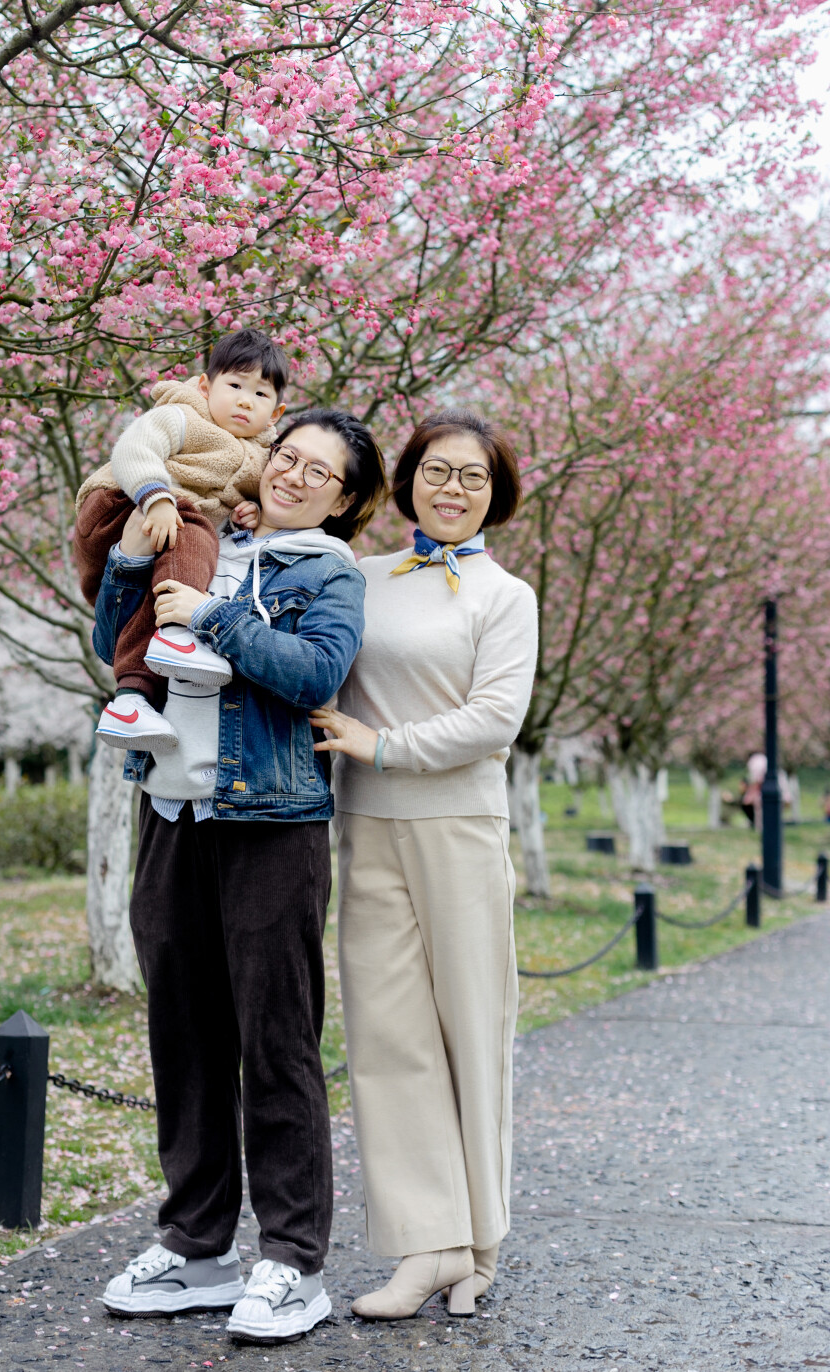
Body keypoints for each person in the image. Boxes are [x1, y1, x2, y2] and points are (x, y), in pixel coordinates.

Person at [88, 409, 386, 1345]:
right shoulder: (213, 534)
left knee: (277, 1040)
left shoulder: (329, 571)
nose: (294, 475)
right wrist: (134, 563)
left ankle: (292, 1260)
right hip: (172, 812)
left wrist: (213, 616)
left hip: (270, 823)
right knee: (184, 1036)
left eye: (319, 472)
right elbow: (115, 641)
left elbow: (316, 672)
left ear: (345, 502)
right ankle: (197, 1244)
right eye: (285, 456)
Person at [310, 408, 538, 1321]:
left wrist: (383, 742)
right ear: (405, 482)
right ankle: (428, 1245)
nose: (453, 489)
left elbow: (495, 720)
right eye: (438, 472)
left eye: (473, 477)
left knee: (472, 1035)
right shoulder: (358, 576)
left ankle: (480, 1244)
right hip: (367, 827)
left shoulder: (503, 596)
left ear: (496, 495)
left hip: (459, 829)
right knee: (388, 1040)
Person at [73, 327, 287, 753]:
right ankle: (177, 632)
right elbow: (134, 449)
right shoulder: (183, 416)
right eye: (234, 385)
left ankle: (131, 700)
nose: (245, 400)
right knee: (193, 527)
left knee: (164, 585)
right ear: (205, 386)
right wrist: (155, 498)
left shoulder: (263, 458)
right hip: (118, 505)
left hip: (163, 537)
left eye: (260, 395)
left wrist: (248, 513)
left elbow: (234, 505)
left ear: (277, 413)